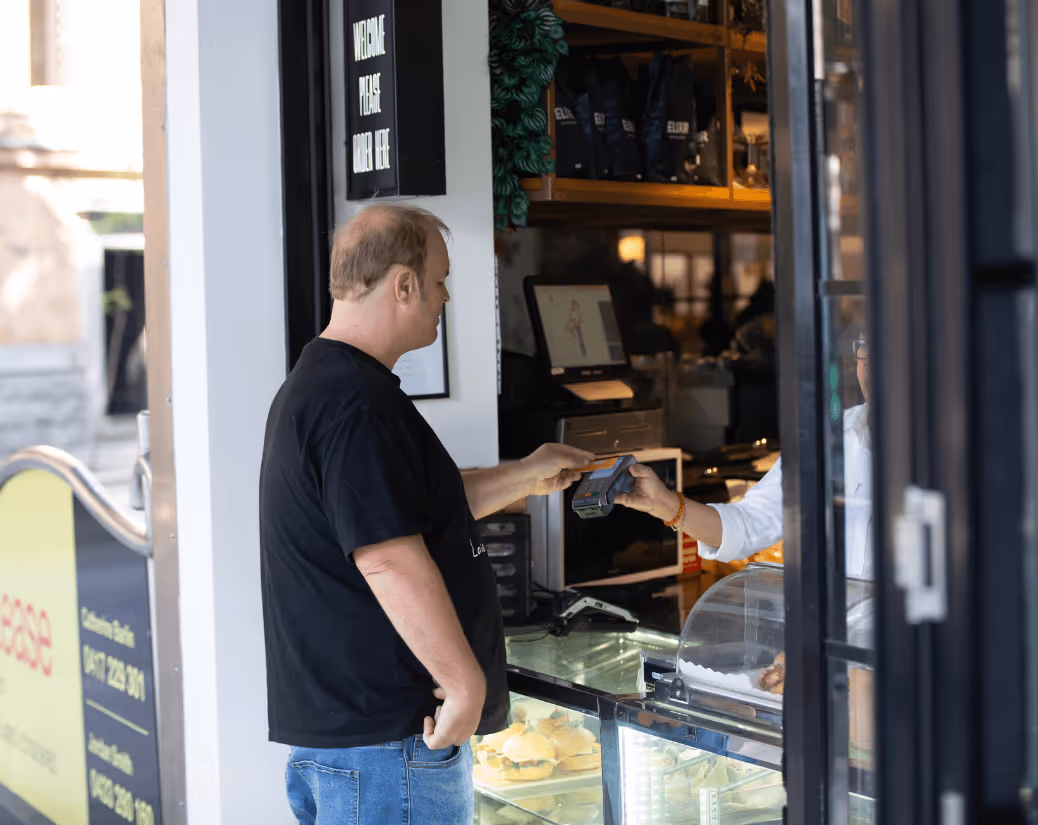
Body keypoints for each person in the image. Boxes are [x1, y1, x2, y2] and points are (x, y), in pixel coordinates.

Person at [259, 203, 593, 825]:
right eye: (439, 279)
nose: (444, 296)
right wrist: (466, 683)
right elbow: (386, 554)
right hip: (393, 740)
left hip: (362, 741)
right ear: (403, 284)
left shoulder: (327, 384)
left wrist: (526, 474)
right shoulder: (356, 402)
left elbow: (407, 509)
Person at [618, 333, 872, 580]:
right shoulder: (826, 437)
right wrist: (664, 504)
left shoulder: (911, 450)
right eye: (865, 352)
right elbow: (750, 524)